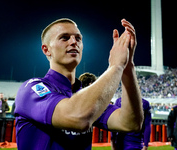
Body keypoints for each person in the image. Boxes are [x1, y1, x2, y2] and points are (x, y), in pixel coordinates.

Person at [14, 18, 143, 150]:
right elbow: (77, 117)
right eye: (64, 38)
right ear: (46, 50)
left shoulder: (85, 96)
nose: (73, 42)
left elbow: (130, 123)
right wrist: (116, 66)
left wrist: (128, 68)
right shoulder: (31, 89)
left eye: (78, 38)